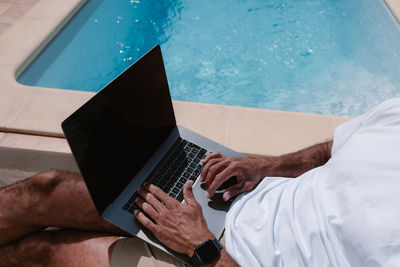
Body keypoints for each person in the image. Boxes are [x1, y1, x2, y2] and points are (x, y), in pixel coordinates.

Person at [1, 98, 400, 267]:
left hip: (226, 258)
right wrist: (265, 166)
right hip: (234, 199)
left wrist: (201, 247)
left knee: (40, 253)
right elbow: (331, 150)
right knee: (46, 187)